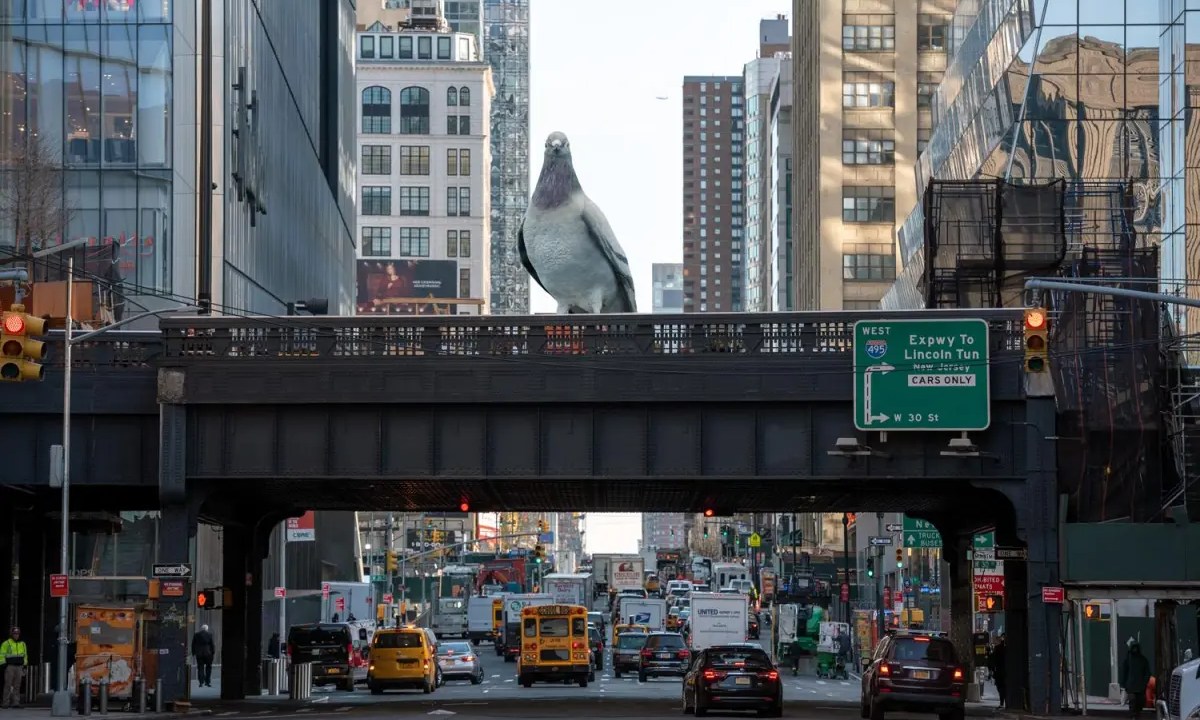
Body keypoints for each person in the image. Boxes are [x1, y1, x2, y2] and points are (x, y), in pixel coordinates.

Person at [1121, 640, 1151, 718]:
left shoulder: (1142, 660)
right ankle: (1133, 716)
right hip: (1132, 687)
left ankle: (1135, 716)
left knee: (1138, 704)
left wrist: (1144, 683)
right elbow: (1124, 672)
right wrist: (1124, 685)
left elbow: (1147, 673)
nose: (1135, 650)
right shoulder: (1129, 660)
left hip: (1138, 687)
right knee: (1133, 703)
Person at [1, 626, 27, 709]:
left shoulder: (22, 644)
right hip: (10, 667)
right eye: (15, 633)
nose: (16, 635)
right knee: (8, 685)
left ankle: (16, 702)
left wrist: (25, 664)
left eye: (17, 633)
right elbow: (1, 655)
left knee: (17, 685)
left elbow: (25, 655)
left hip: (19, 667)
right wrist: (4, 665)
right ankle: (5, 703)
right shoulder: (6, 643)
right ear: (11, 634)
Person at [988, 634, 1007, 709]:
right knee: (1003, 687)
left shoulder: (997, 648)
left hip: (999, 671)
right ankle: (1004, 702)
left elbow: (992, 660)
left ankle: (1002, 703)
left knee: (1001, 687)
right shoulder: (1005, 648)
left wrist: (991, 670)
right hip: (1003, 671)